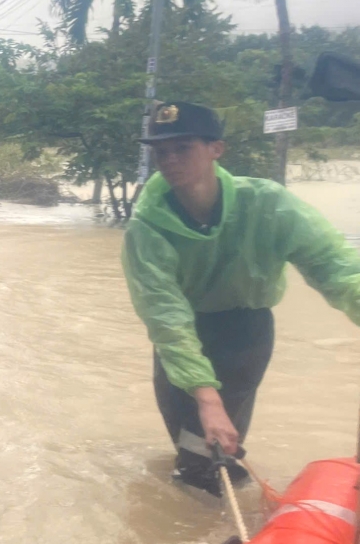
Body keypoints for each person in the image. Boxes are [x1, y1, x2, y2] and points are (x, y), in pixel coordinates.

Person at [122, 101, 360, 496]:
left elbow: (334, 266)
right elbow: (165, 314)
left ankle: (218, 523)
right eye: (161, 151)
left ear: (217, 149)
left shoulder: (267, 204)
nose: (170, 159)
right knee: (186, 432)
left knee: (206, 453)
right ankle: (215, 499)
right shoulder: (146, 226)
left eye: (183, 148)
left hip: (245, 328)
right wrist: (205, 396)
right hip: (183, 334)